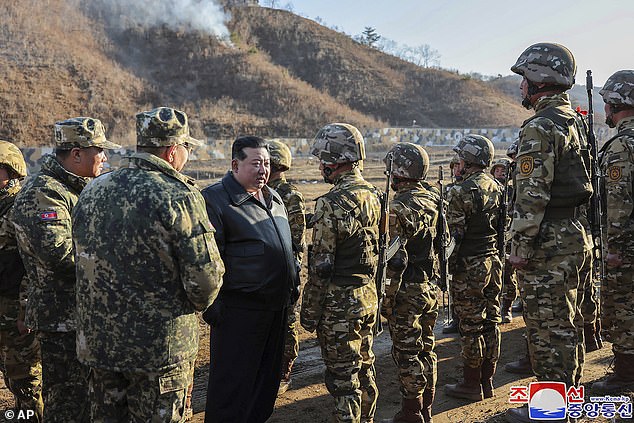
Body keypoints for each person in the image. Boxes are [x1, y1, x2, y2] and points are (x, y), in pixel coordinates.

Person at [72, 107, 225, 421]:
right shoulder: (178, 195)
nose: (187, 156)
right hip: (159, 350)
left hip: (100, 345)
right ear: (171, 151)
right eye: (187, 148)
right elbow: (205, 279)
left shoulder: (93, 190)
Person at [12, 117, 120, 422]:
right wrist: (117, 261)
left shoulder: (79, 187)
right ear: (76, 153)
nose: (105, 157)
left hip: (86, 316)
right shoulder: (44, 192)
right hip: (63, 320)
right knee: (69, 404)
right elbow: (58, 253)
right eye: (99, 151)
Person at [506, 43, 593, 423]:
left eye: (523, 78)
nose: (520, 86)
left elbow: (531, 194)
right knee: (565, 327)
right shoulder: (574, 120)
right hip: (573, 233)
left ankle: (551, 412)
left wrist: (519, 246)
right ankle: (565, 405)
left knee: (547, 332)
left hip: (548, 240)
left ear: (539, 80)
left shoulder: (541, 126)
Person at [201, 136, 298, 423]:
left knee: (265, 385)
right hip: (239, 313)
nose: (263, 170)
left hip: (276, 308)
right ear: (235, 164)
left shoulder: (273, 197)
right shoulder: (216, 200)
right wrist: (215, 308)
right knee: (233, 389)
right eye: (255, 163)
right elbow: (208, 259)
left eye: (266, 163)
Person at [300, 123, 381, 423]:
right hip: (367, 296)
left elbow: (321, 267)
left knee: (343, 380)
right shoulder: (374, 194)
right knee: (364, 367)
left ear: (334, 161)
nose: (320, 165)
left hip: (339, 305)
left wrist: (308, 313)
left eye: (322, 159)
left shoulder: (330, 204)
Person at [380, 143, 439, 423]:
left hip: (406, 291)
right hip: (428, 286)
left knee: (407, 355)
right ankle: (426, 408)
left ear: (398, 173)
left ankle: (412, 413)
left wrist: (387, 301)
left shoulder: (397, 207)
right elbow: (443, 244)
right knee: (427, 348)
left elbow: (394, 260)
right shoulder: (433, 199)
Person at [443, 134, 502, 402]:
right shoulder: (497, 186)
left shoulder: (460, 191)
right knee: (491, 322)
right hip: (493, 261)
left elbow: (455, 237)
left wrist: (448, 271)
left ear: (469, 161)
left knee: (470, 326)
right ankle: (487, 381)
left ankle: (471, 383)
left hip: (470, 265)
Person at [592, 70, 634, 392]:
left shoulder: (621, 146)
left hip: (628, 247)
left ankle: (625, 375)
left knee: (624, 310)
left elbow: (618, 204)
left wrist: (614, 249)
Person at [0, 141, 43, 420]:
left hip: (17, 313)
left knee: (26, 383)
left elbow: (34, 265)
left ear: (11, 171)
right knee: (11, 378)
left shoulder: (22, 207)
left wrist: (26, 311)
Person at [267, 140, 307, 395]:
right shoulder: (261, 191)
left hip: (286, 267)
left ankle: (284, 368)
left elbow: (296, 237)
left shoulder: (289, 194)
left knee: (286, 320)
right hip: (269, 268)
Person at [490, 158, 517, 324]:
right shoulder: (490, 189)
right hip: (493, 237)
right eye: (498, 170)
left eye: (504, 171)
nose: (501, 173)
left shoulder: (514, 191)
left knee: (508, 274)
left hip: (509, 236)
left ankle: (507, 307)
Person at [441, 154, 462, 335]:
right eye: (453, 167)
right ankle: (456, 318)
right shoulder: (447, 189)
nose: (456, 170)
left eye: (458, 166)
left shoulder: (461, 190)